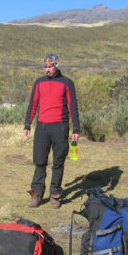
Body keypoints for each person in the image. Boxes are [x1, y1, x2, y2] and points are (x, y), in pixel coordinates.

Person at [23, 53, 80, 209]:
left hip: (60, 126)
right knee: (39, 161)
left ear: (56, 65)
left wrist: (76, 128)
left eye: (49, 66)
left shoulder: (67, 83)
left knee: (58, 161)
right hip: (42, 127)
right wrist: (27, 124)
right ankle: (37, 194)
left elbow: (72, 106)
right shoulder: (39, 82)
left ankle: (55, 195)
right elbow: (33, 103)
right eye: (45, 66)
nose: (46, 69)